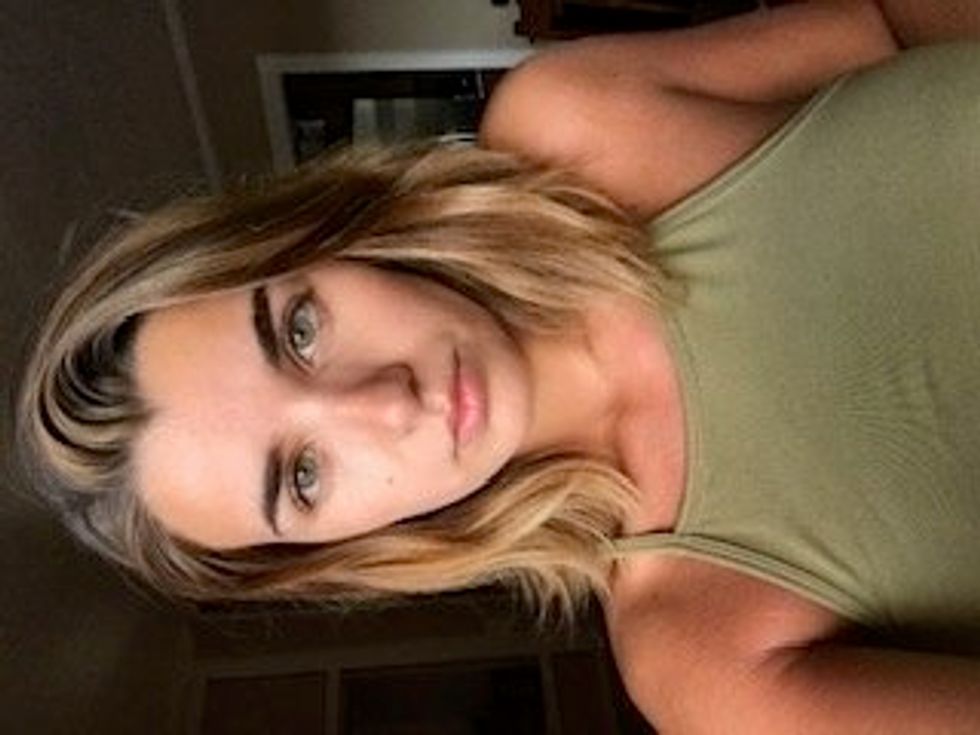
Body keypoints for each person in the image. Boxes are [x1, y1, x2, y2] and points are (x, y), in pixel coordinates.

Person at [18, 0, 980, 730]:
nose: (384, 402)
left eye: (300, 330)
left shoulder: (572, 119)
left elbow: (894, 21)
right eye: (303, 475)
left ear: (316, 237)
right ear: (343, 549)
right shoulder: (700, 651)